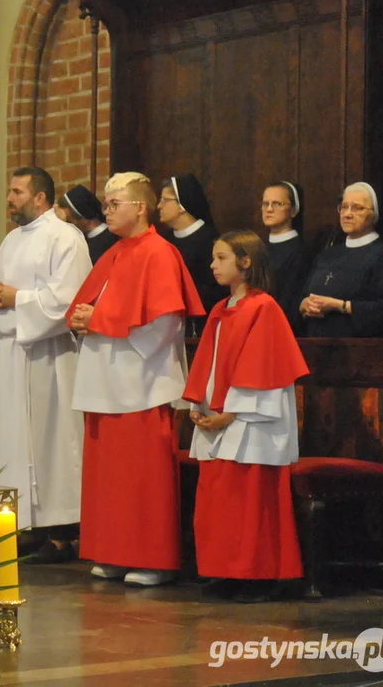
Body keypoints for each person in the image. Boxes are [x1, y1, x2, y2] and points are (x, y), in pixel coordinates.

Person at [69, 172, 204, 586]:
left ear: (140, 208)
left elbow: (163, 324)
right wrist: (79, 320)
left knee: (143, 477)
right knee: (108, 477)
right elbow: (89, 304)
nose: (106, 211)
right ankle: (111, 551)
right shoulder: (114, 253)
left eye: (114, 204)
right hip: (105, 377)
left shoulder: (159, 253)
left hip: (140, 380)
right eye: (106, 204)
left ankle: (152, 558)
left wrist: (100, 320)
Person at [184, 230, 308, 603]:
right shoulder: (222, 310)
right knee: (219, 496)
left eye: (220, 258)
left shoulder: (264, 307)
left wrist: (232, 413)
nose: (212, 265)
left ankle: (259, 576)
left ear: (246, 262)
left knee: (252, 496)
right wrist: (201, 404)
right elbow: (209, 362)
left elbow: (263, 367)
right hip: (221, 415)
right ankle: (225, 571)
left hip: (254, 420)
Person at [0, 167, 92, 561]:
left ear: (40, 198)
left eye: (16, 192)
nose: (9, 199)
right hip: (11, 354)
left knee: (50, 442)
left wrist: (18, 299)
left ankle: (59, 531)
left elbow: (69, 299)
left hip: (48, 355)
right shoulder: (12, 240)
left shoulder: (66, 238)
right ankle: (20, 525)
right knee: (11, 440)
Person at [298, 182, 383, 337]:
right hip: (317, 347)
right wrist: (304, 305)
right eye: (344, 207)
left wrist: (342, 306)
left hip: (360, 350)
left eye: (357, 208)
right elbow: (304, 295)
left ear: (374, 214)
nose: (347, 214)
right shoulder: (327, 255)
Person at [158, 174, 226, 325]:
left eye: (165, 200)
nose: (159, 206)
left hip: (200, 323)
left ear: (182, 205)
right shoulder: (163, 239)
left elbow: (215, 289)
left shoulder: (210, 240)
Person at [260, 181, 310, 328]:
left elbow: (290, 301)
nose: (269, 209)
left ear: (294, 211)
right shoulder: (258, 248)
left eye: (277, 204)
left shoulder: (301, 253)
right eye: (265, 204)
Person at [53, 184, 119, 264]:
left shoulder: (110, 242)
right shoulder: (84, 238)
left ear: (84, 220)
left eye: (69, 221)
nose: (68, 226)